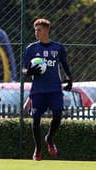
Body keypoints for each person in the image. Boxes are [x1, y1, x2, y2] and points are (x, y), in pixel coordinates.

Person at [23, 18, 73, 161]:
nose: (36, 33)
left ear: (46, 31)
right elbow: (25, 69)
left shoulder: (58, 48)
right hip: (38, 90)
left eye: (39, 30)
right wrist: (30, 72)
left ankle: (49, 138)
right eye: (35, 30)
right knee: (36, 120)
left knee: (58, 115)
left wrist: (69, 79)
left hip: (54, 89)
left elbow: (64, 64)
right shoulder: (31, 49)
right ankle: (38, 148)